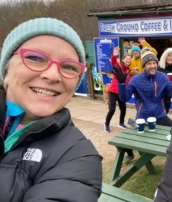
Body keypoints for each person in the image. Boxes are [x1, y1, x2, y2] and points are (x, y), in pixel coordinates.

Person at [0, 18, 102, 201]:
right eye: (35, 58)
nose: (53, 75)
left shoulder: (77, 157)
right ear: (5, 71)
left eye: (68, 67)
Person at [114, 49, 172, 127]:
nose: (152, 66)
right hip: (142, 117)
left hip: (160, 115)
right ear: (144, 66)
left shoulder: (163, 77)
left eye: (154, 63)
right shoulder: (136, 79)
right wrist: (121, 83)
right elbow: (124, 98)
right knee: (142, 138)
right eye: (149, 64)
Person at [105, 47, 131, 133]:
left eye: (129, 59)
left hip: (121, 92)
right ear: (123, 60)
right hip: (113, 91)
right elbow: (113, 62)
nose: (128, 60)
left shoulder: (128, 70)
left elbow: (128, 81)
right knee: (112, 109)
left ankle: (121, 123)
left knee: (123, 108)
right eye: (127, 59)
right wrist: (114, 55)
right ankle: (107, 124)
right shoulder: (119, 67)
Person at [158, 47, 172, 113]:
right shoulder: (159, 68)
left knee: (165, 113)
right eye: (169, 55)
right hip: (159, 98)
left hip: (168, 98)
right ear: (165, 56)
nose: (171, 58)